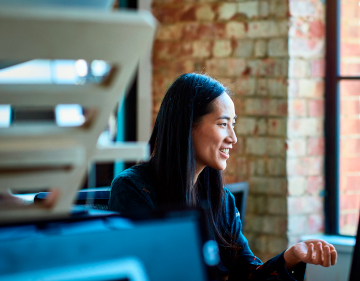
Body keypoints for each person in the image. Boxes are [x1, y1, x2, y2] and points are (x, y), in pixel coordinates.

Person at [109, 73, 337, 281]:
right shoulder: (133, 189)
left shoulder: (222, 201)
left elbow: (248, 274)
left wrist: (291, 256)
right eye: (223, 124)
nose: (233, 137)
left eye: (233, 125)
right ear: (187, 126)